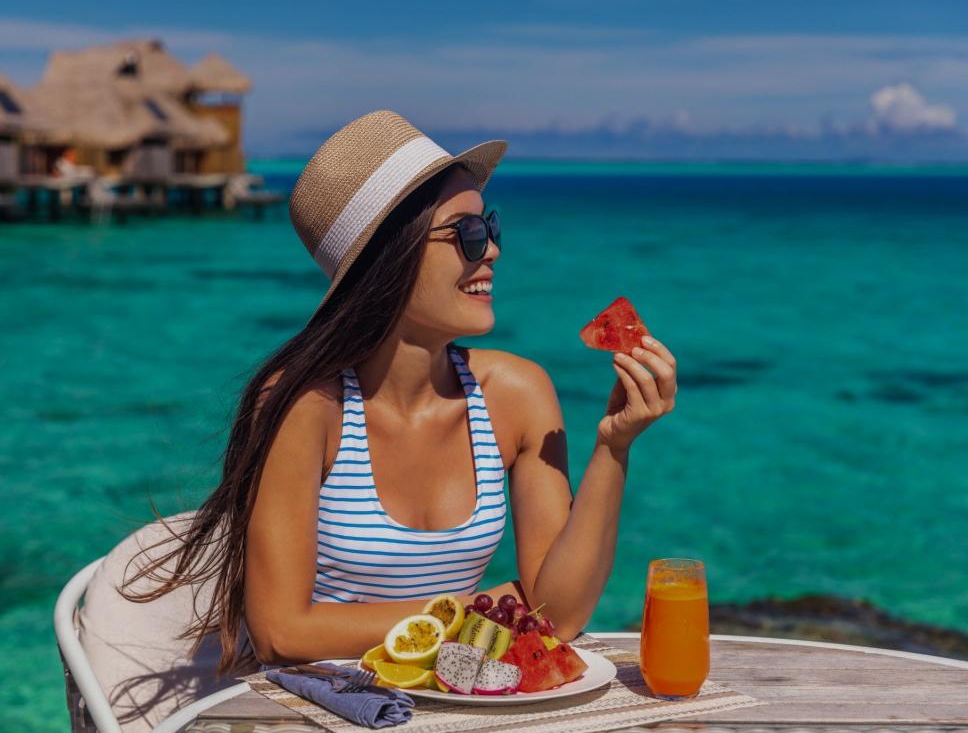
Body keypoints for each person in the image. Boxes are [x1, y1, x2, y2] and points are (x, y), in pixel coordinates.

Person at [119, 110, 677, 674]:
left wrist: (613, 446)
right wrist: (481, 607)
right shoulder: (305, 406)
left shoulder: (516, 394)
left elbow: (559, 614)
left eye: (490, 228)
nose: (492, 251)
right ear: (392, 257)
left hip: (453, 702)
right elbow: (282, 634)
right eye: (467, 233)